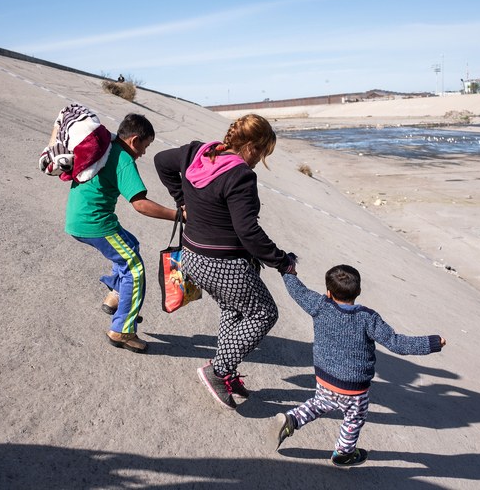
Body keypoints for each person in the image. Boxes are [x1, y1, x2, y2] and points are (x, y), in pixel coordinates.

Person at [154, 114, 297, 410]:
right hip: (223, 265)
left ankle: (227, 370)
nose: (260, 161)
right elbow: (249, 232)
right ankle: (218, 371)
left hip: (191, 259)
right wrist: (282, 261)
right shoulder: (241, 176)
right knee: (263, 313)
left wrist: (183, 200)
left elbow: (160, 161)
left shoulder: (197, 152)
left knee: (232, 308)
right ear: (252, 146)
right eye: (263, 153)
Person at [274, 264, 446, 467]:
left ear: (328, 292)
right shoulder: (368, 318)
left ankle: (292, 419)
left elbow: (298, 292)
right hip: (354, 389)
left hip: (325, 378)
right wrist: (432, 343)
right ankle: (343, 453)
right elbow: (397, 343)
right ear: (359, 291)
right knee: (354, 418)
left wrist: (287, 269)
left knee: (320, 403)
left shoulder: (320, 304)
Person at [64, 112, 177, 353]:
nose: (144, 152)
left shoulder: (107, 146)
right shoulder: (124, 158)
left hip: (78, 218)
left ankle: (115, 296)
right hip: (95, 223)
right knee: (135, 270)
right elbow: (140, 204)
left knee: (130, 244)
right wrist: (178, 215)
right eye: (145, 146)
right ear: (135, 140)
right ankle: (122, 330)